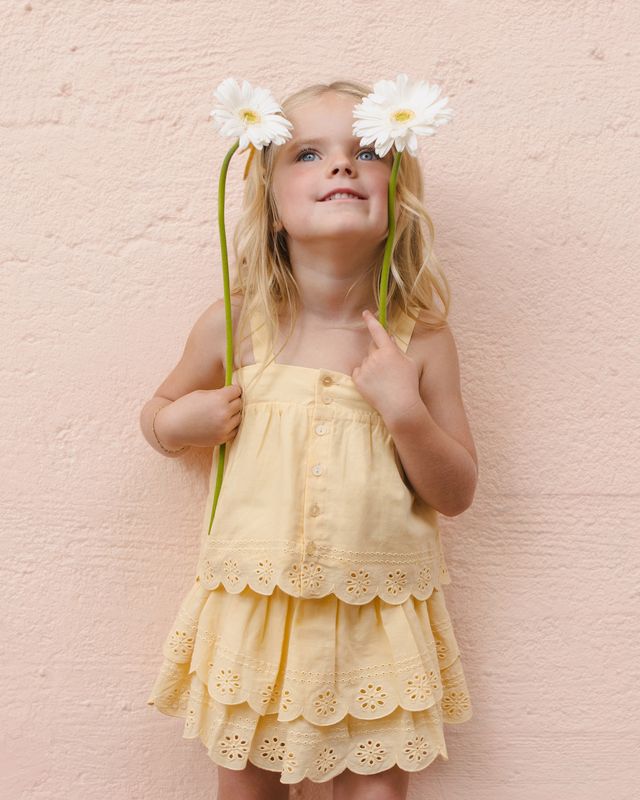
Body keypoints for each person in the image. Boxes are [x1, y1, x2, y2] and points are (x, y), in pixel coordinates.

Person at [140, 79, 478, 800]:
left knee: (377, 791)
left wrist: (405, 412)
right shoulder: (238, 324)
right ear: (270, 206)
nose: (341, 167)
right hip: (256, 607)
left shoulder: (421, 340)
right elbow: (160, 411)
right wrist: (178, 423)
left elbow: (457, 491)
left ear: (398, 199)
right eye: (308, 154)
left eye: (365, 152)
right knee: (248, 787)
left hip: (375, 614)